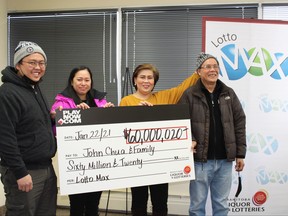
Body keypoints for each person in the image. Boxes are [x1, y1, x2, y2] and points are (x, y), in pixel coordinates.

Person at [119, 63, 199, 216]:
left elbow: (183, 88)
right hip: (137, 162)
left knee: (160, 202)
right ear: (135, 80)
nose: (146, 81)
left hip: (160, 162)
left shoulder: (164, 97)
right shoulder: (126, 101)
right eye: (142, 77)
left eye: (150, 78)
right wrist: (139, 115)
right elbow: (122, 132)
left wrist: (198, 72)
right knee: (138, 201)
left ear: (154, 81)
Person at [178, 52, 246, 216]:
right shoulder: (189, 94)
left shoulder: (228, 92)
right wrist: (191, 139)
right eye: (208, 66)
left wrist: (240, 154)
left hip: (224, 161)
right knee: (197, 207)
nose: (212, 70)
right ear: (198, 72)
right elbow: (181, 121)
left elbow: (239, 122)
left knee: (222, 205)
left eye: (215, 66)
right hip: (200, 161)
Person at [0, 41, 57, 216]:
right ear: (18, 65)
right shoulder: (7, 93)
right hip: (25, 171)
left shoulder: (34, 88)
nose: (38, 67)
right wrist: (20, 172)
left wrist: (51, 119)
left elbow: (31, 124)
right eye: (31, 62)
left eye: (41, 62)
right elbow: (4, 137)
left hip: (46, 168)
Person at [50, 65, 114, 216]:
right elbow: (55, 126)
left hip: (98, 161)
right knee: (77, 206)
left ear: (91, 82)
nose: (83, 83)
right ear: (72, 82)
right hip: (75, 163)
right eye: (79, 79)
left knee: (93, 204)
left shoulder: (100, 101)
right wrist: (71, 114)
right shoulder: (62, 102)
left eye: (87, 80)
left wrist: (110, 112)